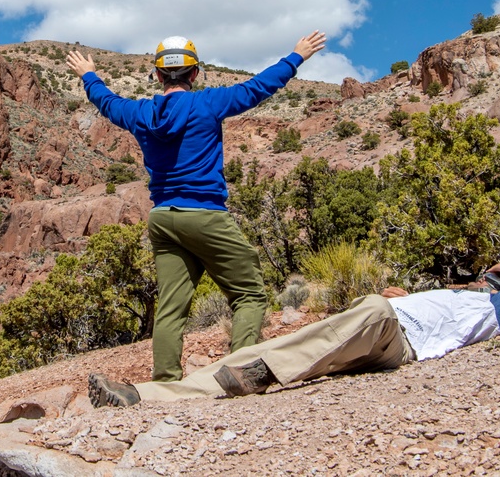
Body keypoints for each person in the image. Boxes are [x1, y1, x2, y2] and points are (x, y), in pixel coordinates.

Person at [66, 31, 327, 382]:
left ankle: (165, 384)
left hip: (162, 219)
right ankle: (241, 371)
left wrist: (88, 74)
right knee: (249, 293)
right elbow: (257, 88)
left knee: (171, 309)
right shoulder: (208, 103)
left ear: (157, 75)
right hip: (204, 214)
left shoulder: (139, 113)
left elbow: (108, 102)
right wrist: (296, 57)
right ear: (195, 73)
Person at [88, 258, 500, 407]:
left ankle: (258, 370)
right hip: (388, 331)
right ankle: (147, 397)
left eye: (491, 282)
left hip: (393, 334)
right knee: (304, 342)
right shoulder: (460, 298)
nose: (483, 282)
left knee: (366, 309)